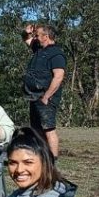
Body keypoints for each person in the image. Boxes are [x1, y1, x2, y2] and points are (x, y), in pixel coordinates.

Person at [23, 22, 66, 158]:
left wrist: (47, 96)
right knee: (36, 130)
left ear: (46, 36)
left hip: (46, 98)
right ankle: (41, 157)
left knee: (48, 130)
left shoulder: (56, 54)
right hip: (34, 97)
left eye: (37, 35)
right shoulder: (38, 49)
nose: (35, 38)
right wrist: (28, 32)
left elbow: (58, 77)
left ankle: (53, 161)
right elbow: (26, 38)